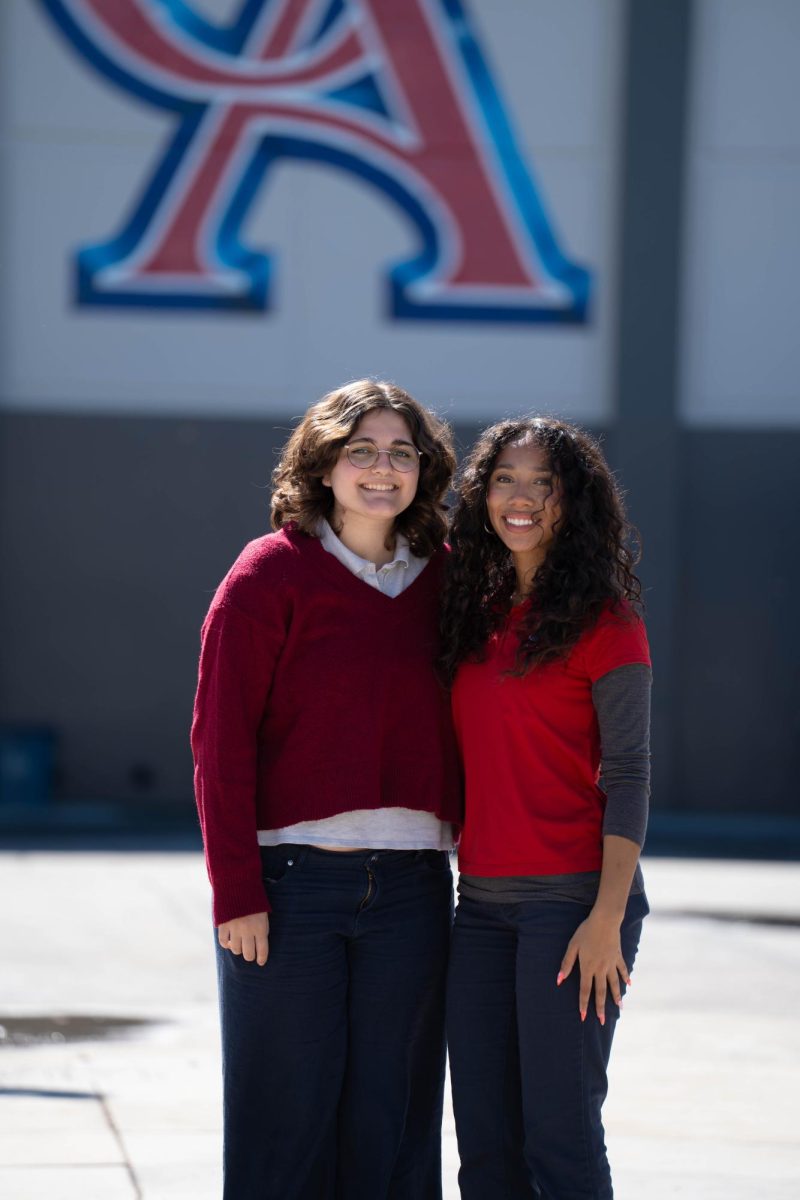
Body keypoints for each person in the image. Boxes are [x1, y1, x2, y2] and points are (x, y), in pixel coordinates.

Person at [191, 379, 461, 1200]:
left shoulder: (449, 579)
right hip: (289, 890)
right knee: (284, 1126)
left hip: (414, 891)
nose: (383, 469)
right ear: (324, 464)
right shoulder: (270, 572)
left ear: (423, 469)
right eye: (362, 451)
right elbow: (219, 740)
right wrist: (235, 890)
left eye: (401, 453)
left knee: (396, 1128)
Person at [440, 417, 651, 1200]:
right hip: (482, 908)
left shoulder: (608, 623)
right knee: (486, 1145)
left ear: (575, 502)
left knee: (558, 1137)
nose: (520, 498)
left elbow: (629, 775)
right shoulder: (474, 611)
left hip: (573, 908)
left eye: (543, 483)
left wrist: (606, 919)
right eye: (504, 480)